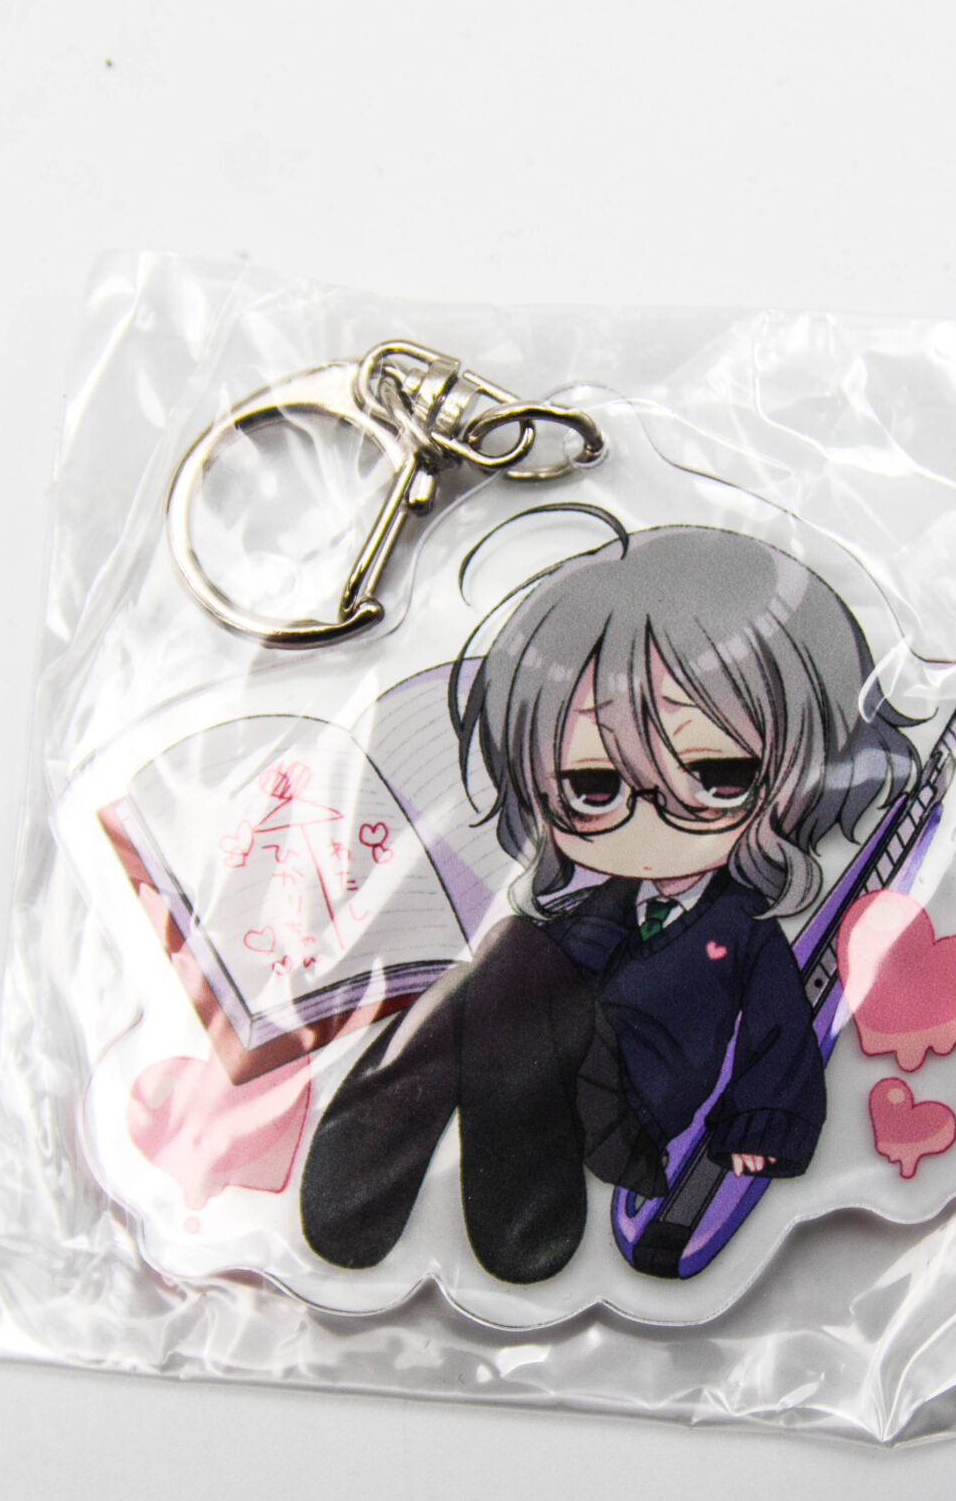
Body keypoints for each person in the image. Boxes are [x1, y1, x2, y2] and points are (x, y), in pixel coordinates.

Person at [298, 523, 917, 1282]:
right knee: (499, 958)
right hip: (552, 1073)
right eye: (593, 787)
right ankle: (390, 1166)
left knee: (506, 954)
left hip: (635, 1108)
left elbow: (780, 1031)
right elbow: (543, 982)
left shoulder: (743, 931)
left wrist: (762, 1126)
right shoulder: (596, 915)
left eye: (716, 775)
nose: (650, 820)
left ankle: (470, 1184)